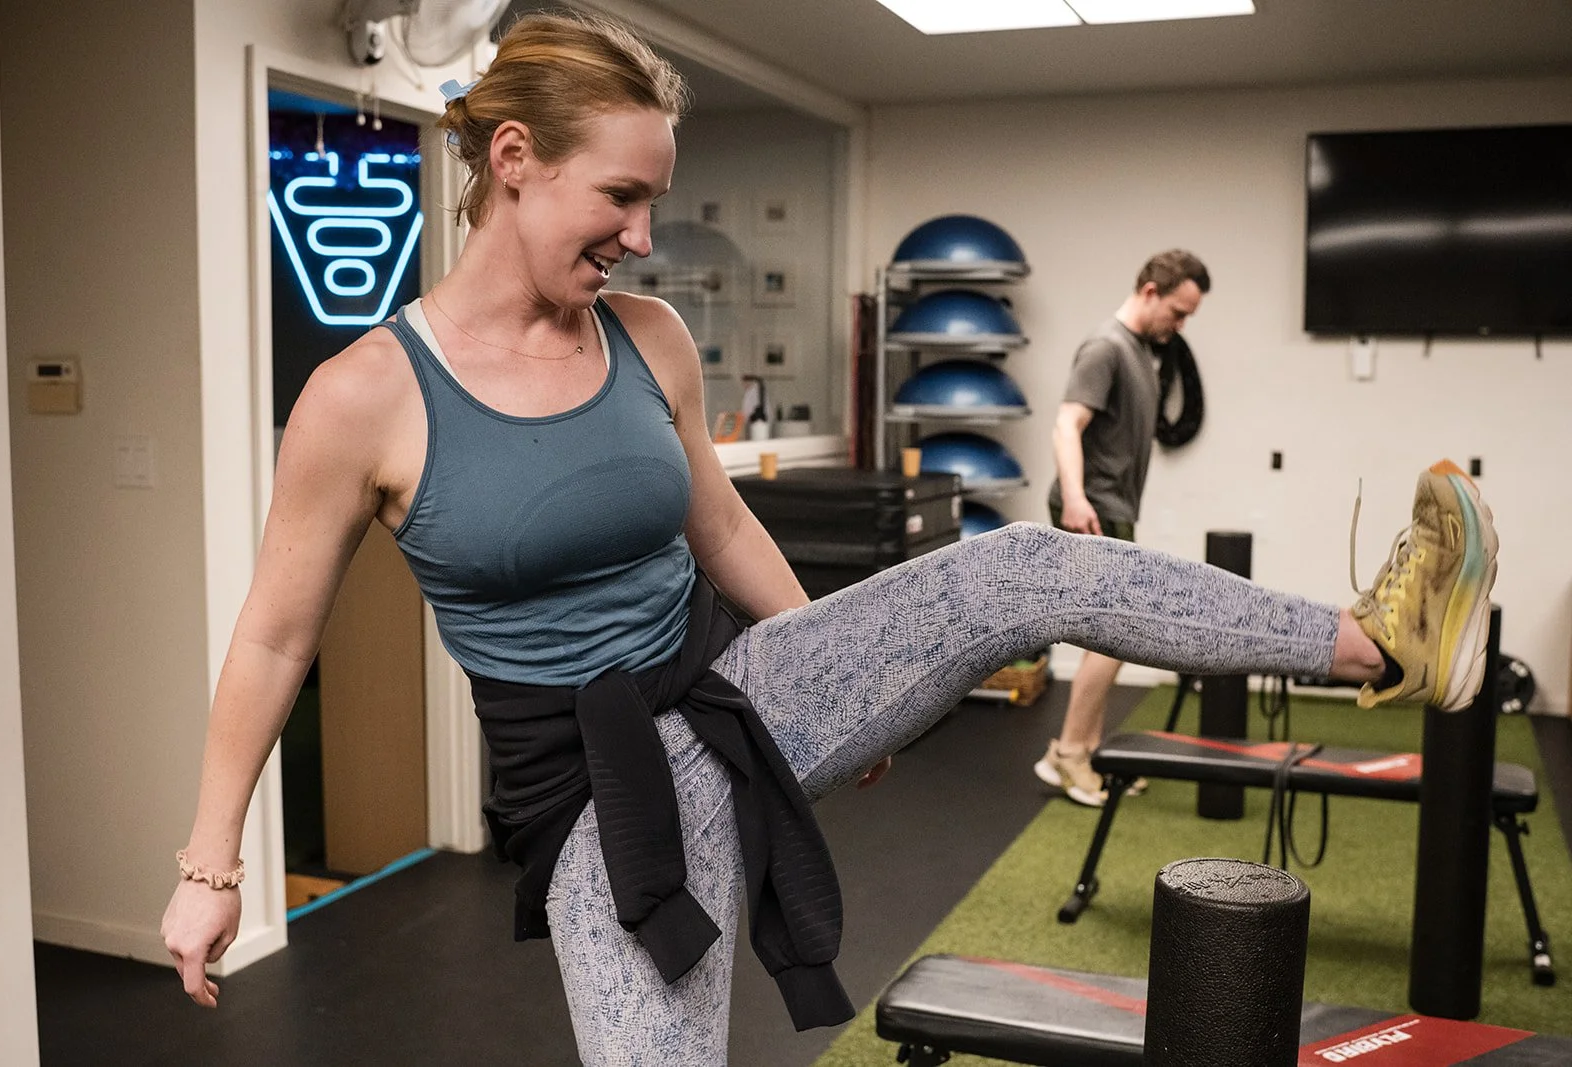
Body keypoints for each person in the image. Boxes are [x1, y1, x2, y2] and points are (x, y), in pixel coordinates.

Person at [160, 14, 1499, 1065]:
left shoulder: (650, 339)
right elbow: (277, 633)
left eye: (652, 201)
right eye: (620, 198)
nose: (642, 235)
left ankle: (1379, 633)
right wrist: (212, 865)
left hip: (739, 688)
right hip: (592, 794)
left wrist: (835, 661)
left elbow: (720, 518)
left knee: (1019, 564)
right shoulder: (365, 398)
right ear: (514, 159)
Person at [1036, 250, 1210, 806]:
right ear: (1151, 292)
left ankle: (1085, 750)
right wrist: (1076, 498)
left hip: (1114, 507)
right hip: (1091, 507)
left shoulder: (1141, 352)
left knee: (1111, 638)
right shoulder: (1105, 347)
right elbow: (1067, 424)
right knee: (1112, 638)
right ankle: (1066, 755)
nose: (1180, 326)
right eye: (1178, 312)